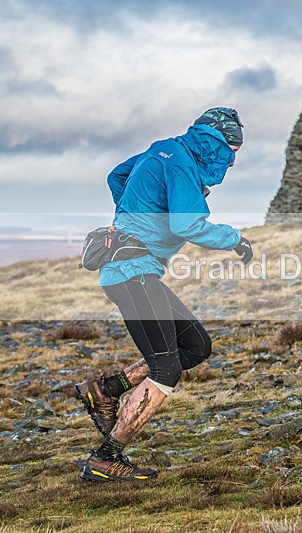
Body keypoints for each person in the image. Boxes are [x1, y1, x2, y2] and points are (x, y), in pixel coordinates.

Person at [74, 107, 254, 482]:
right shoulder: (183, 164)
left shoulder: (164, 149)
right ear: (215, 141)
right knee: (166, 368)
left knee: (196, 346)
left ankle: (105, 390)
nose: (233, 161)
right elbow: (187, 224)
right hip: (131, 272)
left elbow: (117, 175)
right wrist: (235, 239)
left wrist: (135, 215)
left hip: (134, 271)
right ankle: (105, 458)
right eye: (232, 149)